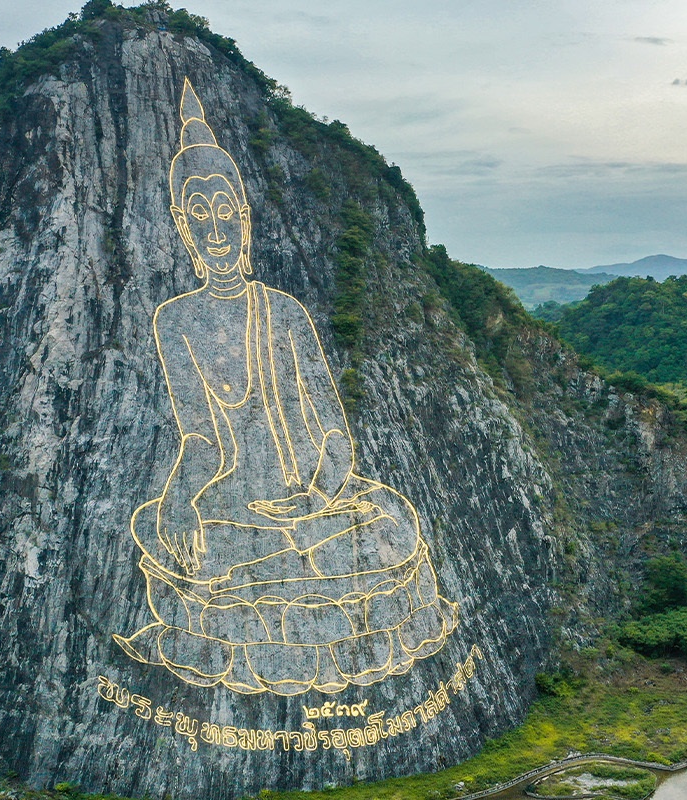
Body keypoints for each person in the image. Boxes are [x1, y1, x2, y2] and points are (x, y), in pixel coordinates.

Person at [114, 79, 456, 696]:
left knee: (387, 524)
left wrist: (317, 496)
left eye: (225, 212)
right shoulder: (176, 320)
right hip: (233, 509)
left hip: (311, 505)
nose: (215, 230)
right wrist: (176, 503)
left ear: (243, 219)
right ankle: (283, 601)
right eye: (199, 215)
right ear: (182, 228)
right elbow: (200, 441)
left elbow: (333, 431)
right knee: (169, 533)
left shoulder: (285, 310)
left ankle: (272, 599)